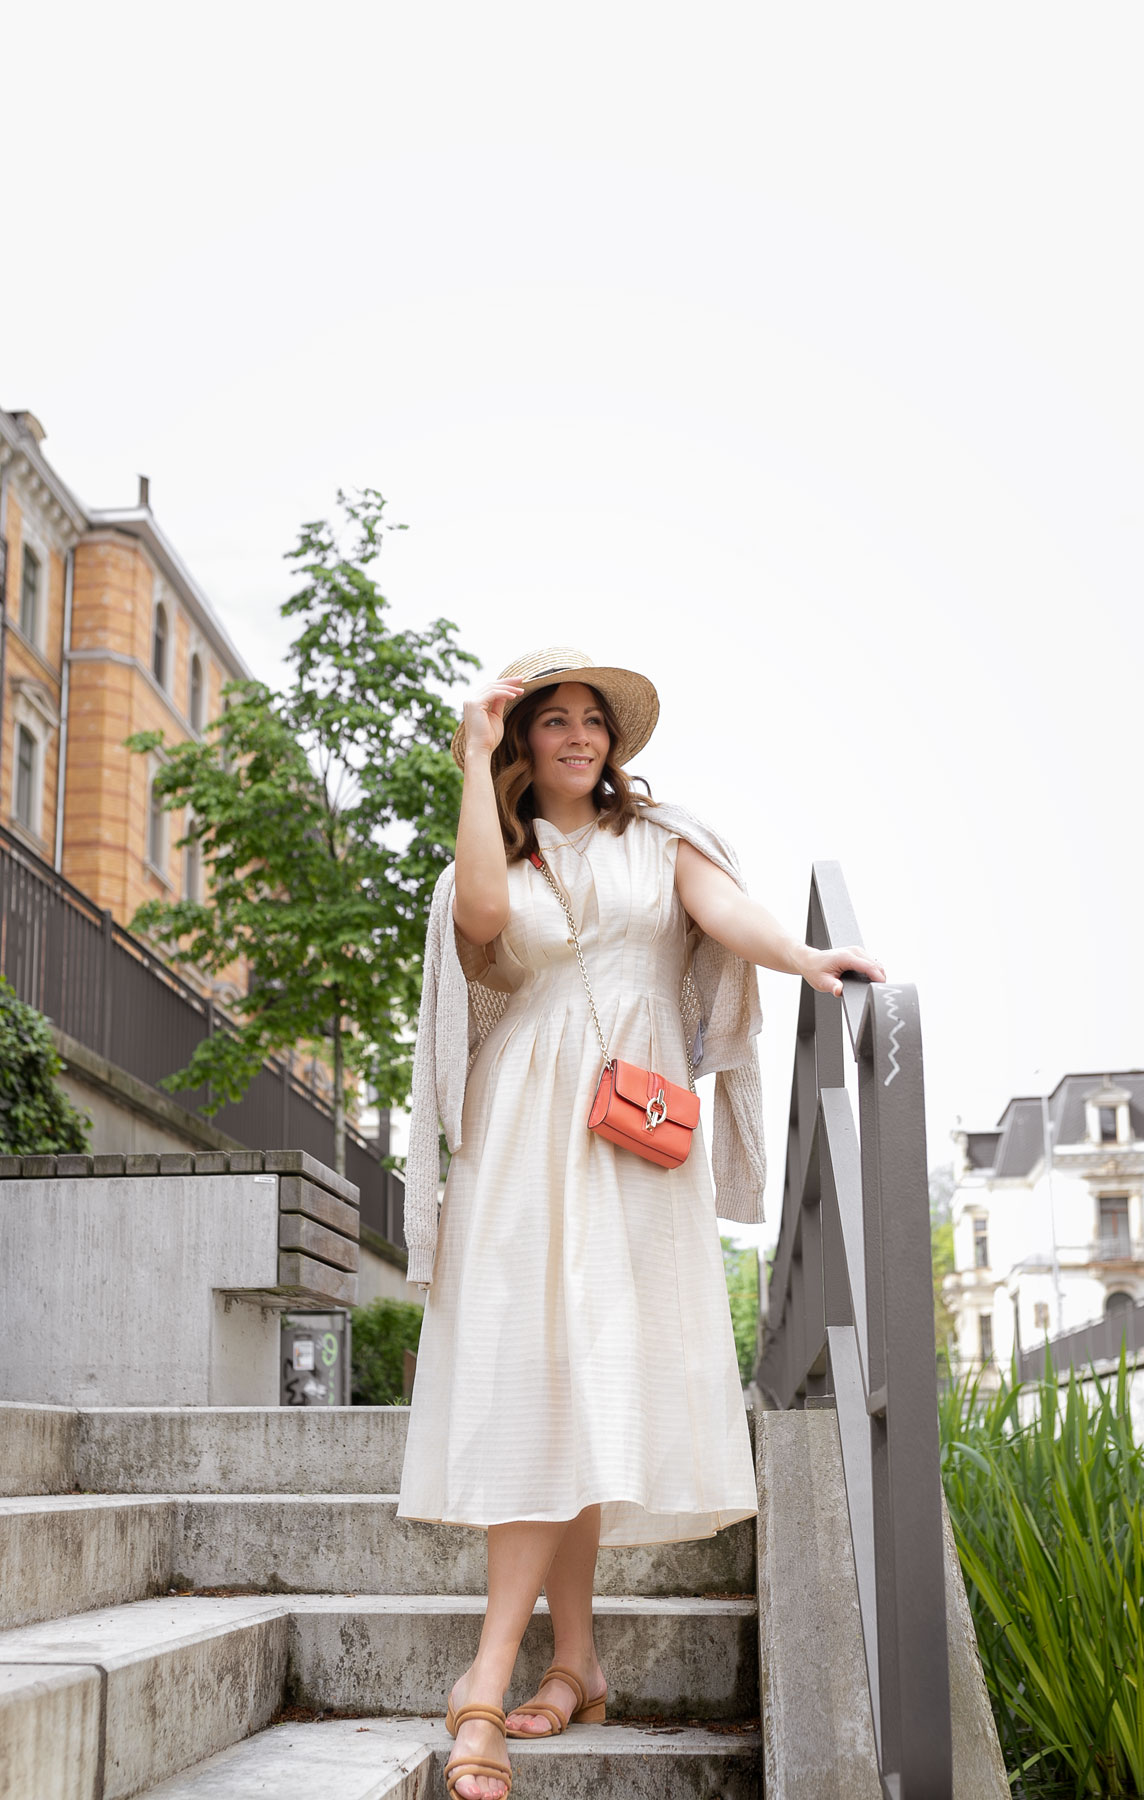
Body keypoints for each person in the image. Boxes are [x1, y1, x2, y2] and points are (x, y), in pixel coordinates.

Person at [397, 646, 885, 1800]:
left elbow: (729, 913)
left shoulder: (663, 842)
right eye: (551, 722)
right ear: (522, 743)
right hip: (522, 1128)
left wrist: (812, 959)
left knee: (591, 1382)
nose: (577, 738)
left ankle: (524, 1675)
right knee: (533, 1379)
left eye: (592, 723)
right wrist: (474, 760)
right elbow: (478, 922)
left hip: (631, 1134)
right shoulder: (498, 846)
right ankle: (539, 1669)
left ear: (615, 742)